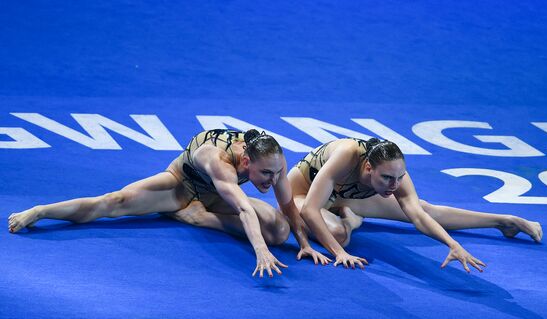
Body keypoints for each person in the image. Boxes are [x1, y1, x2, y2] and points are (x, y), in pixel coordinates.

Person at [8, 129, 329, 277]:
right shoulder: (218, 160)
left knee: (278, 229)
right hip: (179, 186)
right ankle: (41, 210)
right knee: (112, 202)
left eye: (276, 173)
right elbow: (245, 208)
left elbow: (287, 205)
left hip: (217, 196)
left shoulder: (272, 161)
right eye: (265, 174)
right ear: (246, 160)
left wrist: (304, 243)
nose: (272, 180)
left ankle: (196, 217)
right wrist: (261, 251)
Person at [288, 137, 543, 273]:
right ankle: (351, 220)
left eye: (399, 178)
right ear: (368, 168)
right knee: (338, 235)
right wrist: (339, 253)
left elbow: (419, 216)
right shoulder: (346, 155)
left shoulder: (393, 171)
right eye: (387, 178)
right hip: (304, 194)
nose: (394, 185)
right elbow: (310, 210)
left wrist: (453, 245)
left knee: (424, 207)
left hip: (347, 196)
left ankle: (503, 221)